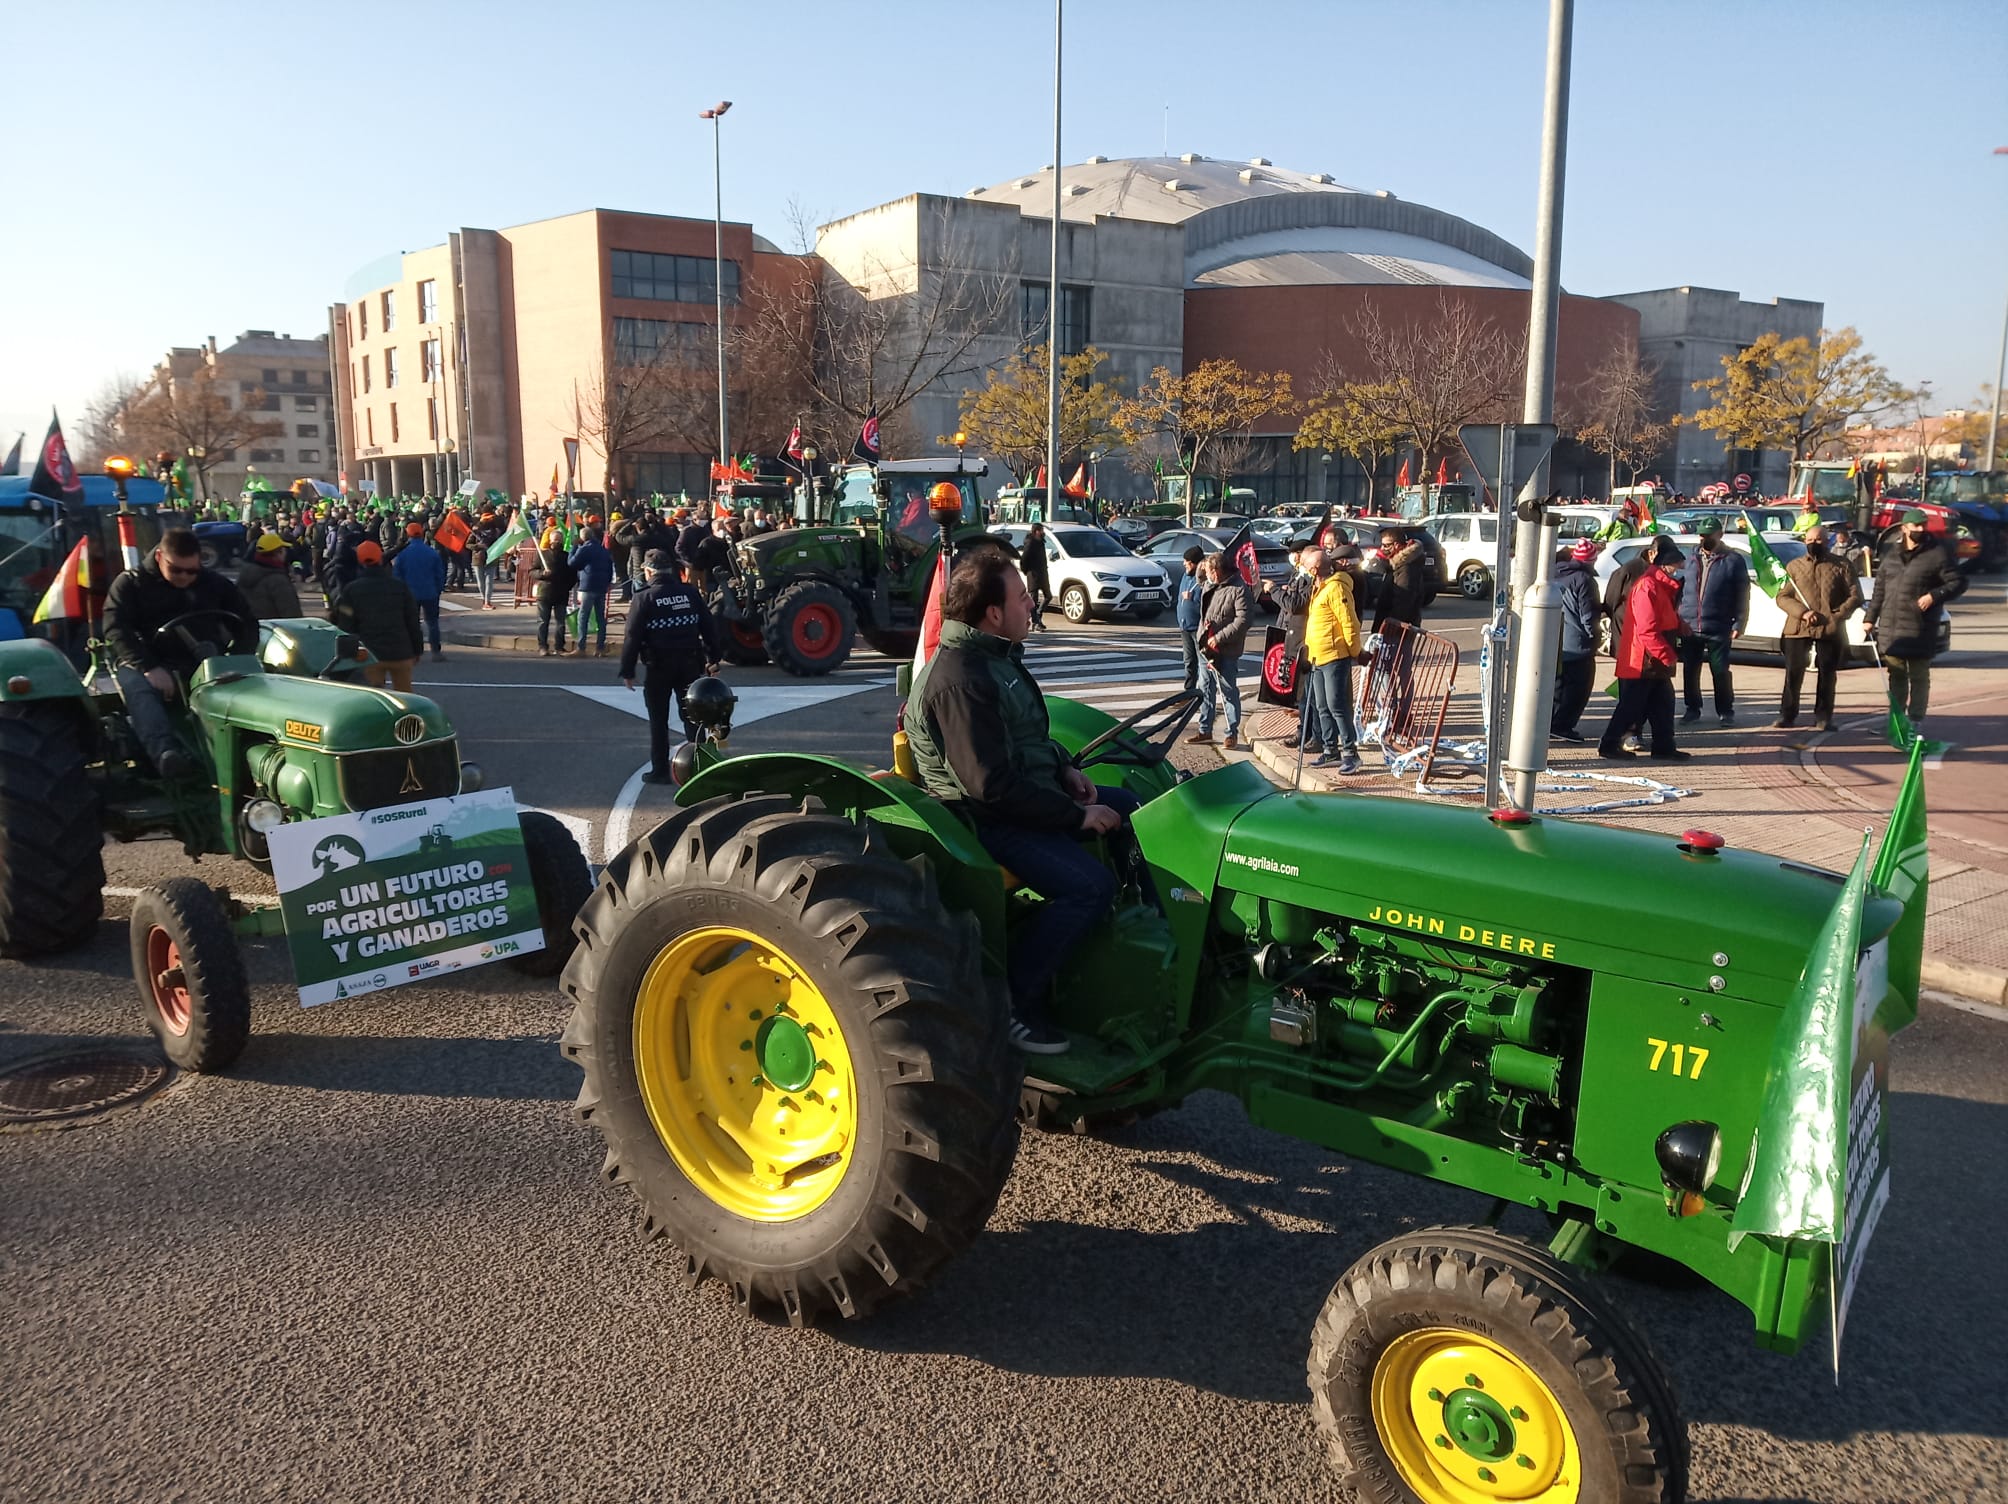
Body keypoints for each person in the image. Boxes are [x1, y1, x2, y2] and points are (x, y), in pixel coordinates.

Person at [902, 549, 1146, 1054]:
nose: (1031, 603)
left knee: (1135, 806)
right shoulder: (961, 680)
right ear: (993, 612)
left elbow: (1025, 738)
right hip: (985, 820)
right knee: (1089, 887)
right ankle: (1015, 999)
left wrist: (1063, 766)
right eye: (1020, 597)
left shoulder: (995, 660)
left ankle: (1136, 934)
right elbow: (990, 787)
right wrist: (1076, 815)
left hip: (1025, 796)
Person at [102, 528, 257, 778]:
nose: (185, 576)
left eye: (192, 571)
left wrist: (240, 657)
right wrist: (149, 667)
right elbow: (115, 628)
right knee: (139, 688)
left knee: (252, 679)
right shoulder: (130, 584)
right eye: (177, 570)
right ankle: (166, 753)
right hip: (148, 661)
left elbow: (247, 623)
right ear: (160, 556)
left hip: (204, 660)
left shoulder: (214, 584)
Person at [620, 550, 722, 784]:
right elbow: (708, 627)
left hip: (658, 667)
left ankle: (660, 770)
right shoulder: (690, 593)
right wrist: (714, 659)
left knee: (659, 720)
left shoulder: (643, 598)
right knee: (694, 717)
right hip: (689, 663)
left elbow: (632, 636)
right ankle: (701, 768)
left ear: (648, 571)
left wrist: (628, 670)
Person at [1863, 509, 1966, 733]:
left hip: (1921, 626)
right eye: (1915, 526)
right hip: (1892, 628)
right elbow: (1879, 590)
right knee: (1896, 676)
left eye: (1923, 526)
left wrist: (1933, 596)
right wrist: (1870, 618)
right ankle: (1897, 722)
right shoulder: (1891, 555)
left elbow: (1958, 582)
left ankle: (1915, 719)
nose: (1920, 530)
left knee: (1919, 676)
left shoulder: (1937, 554)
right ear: (1904, 528)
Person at [1598, 537, 1689, 762]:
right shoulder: (1647, 586)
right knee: (1630, 706)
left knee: (1663, 704)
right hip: (1642, 659)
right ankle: (1609, 745)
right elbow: (1646, 629)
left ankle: (1664, 746)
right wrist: (1666, 655)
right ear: (1664, 563)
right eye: (1676, 565)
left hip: (1652, 657)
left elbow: (1664, 615)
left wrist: (1680, 625)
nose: (1679, 570)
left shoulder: (1660, 585)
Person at [1770, 524, 1863, 732]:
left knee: (1828, 674)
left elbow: (1856, 596)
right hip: (1798, 627)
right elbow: (1782, 597)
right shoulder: (1794, 566)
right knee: (1793, 672)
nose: (1814, 544)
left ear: (1827, 540)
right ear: (1805, 542)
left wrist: (1837, 616)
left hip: (1829, 628)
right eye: (1810, 540)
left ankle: (1823, 716)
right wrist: (1802, 612)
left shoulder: (1842, 565)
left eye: (1818, 540)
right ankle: (1787, 714)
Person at [1677, 516, 1750, 727]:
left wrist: (1740, 623)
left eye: (1709, 535)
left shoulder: (1733, 561)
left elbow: (1743, 594)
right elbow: (1678, 589)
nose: (1704, 539)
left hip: (1719, 626)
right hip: (1690, 625)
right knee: (1690, 670)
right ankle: (1692, 709)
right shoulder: (1690, 559)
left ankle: (1726, 711)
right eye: (1702, 535)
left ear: (1720, 535)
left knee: (1720, 671)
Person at [330, 541, 424, 691]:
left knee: (374, 697)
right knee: (405, 696)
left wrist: (347, 653)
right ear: (380, 559)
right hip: (400, 651)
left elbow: (346, 624)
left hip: (369, 653)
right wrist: (417, 649)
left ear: (360, 561)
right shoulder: (399, 586)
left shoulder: (351, 590)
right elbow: (412, 620)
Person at [1302, 545, 1362, 773]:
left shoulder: (1336, 588)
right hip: (1317, 657)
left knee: (1338, 705)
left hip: (1335, 656)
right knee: (1322, 706)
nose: (1304, 570)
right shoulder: (1320, 588)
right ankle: (1330, 751)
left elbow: (1349, 622)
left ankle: (1350, 753)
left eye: (1306, 567)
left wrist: (1355, 652)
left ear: (1316, 569)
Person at [1184, 553, 1253, 751]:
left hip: (1225, 649)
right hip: (1205, 645)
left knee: (1228, 691)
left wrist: (1220, 637)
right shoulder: (1210, 583)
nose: (1207, 575)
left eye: (1210, 571)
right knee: (1205, 688)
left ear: (1218, 571)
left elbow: (1243, 621)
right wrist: (1202, 565)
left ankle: (1231, 733)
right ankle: (1204, 729)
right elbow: (1199, 579)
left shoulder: (1239, 589)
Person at [1550, 539, 1602, 742]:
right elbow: (1588, 615)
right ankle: (1562, 727)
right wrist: (1594, 637)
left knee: (1558, 686)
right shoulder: (1584, 580)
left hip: (1557, 641)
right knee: (1578, 689)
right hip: (1578, 644)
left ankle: (1552, 723)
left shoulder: (1556, 574)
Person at [392, 521, 447, 662]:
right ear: (422, 534)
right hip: (430, 592)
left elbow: (397, 576)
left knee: (412, 623)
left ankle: (413, 651)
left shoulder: (403, 555)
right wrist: (438, 589)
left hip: (410, 594)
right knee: (433, 622)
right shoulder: (432, 553)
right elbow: (440, 574)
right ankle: (436, 651)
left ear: (407, 535)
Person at [568, 525, 616, 657]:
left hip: (588, 585)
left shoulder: (585, 549)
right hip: (601, 586)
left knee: (583, 616)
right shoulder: (603, 550)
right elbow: (610, 567)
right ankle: (600, 647)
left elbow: (572, 563)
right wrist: (607, 583)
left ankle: (581, 647)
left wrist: (574, 548)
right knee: (600, 618)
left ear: (583, 538)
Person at [237, 531, 302, 621]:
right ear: (278, 553)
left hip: (250, 629)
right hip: (273, 631)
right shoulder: (278, 581)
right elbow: (292, 617)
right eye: (283, 550)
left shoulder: (245, 574)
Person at [534, 528, 579, 658]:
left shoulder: (566, 556)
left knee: (561, 622)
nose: (557, 543)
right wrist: (542, 574)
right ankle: (542, 646)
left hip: (561, 594)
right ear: (550, 541)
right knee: (543, 622)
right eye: (555, 540)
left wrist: (567, 587)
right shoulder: (542, 555)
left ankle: (559, 646)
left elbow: (573, 576)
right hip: (544, 593)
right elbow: (532, 571)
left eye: (559, 540)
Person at [1174, 545, 1206, 690]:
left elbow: (1208, 604)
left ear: (1194, 563)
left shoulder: (1203, 580)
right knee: (1189, 661)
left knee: (1202, 662)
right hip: (1185, 626)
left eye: (1186, 561)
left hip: (1198, 627)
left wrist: (1193, 598)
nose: (1184, 564)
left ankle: (1203, 692)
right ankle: (1189, 691)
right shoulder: (1185, 576)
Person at [1019, 522, 1053, 627]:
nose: (1043, 533)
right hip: (1033, 574)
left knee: (1048, 596)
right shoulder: (1030, 543)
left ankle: (1038, 614)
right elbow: (1024, 559)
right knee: (1033, 599)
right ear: (1036, 531)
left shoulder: (1041, 542)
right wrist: (1026, 570)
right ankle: (1036, 621)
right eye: (1041, 530)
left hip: (1043, 573)